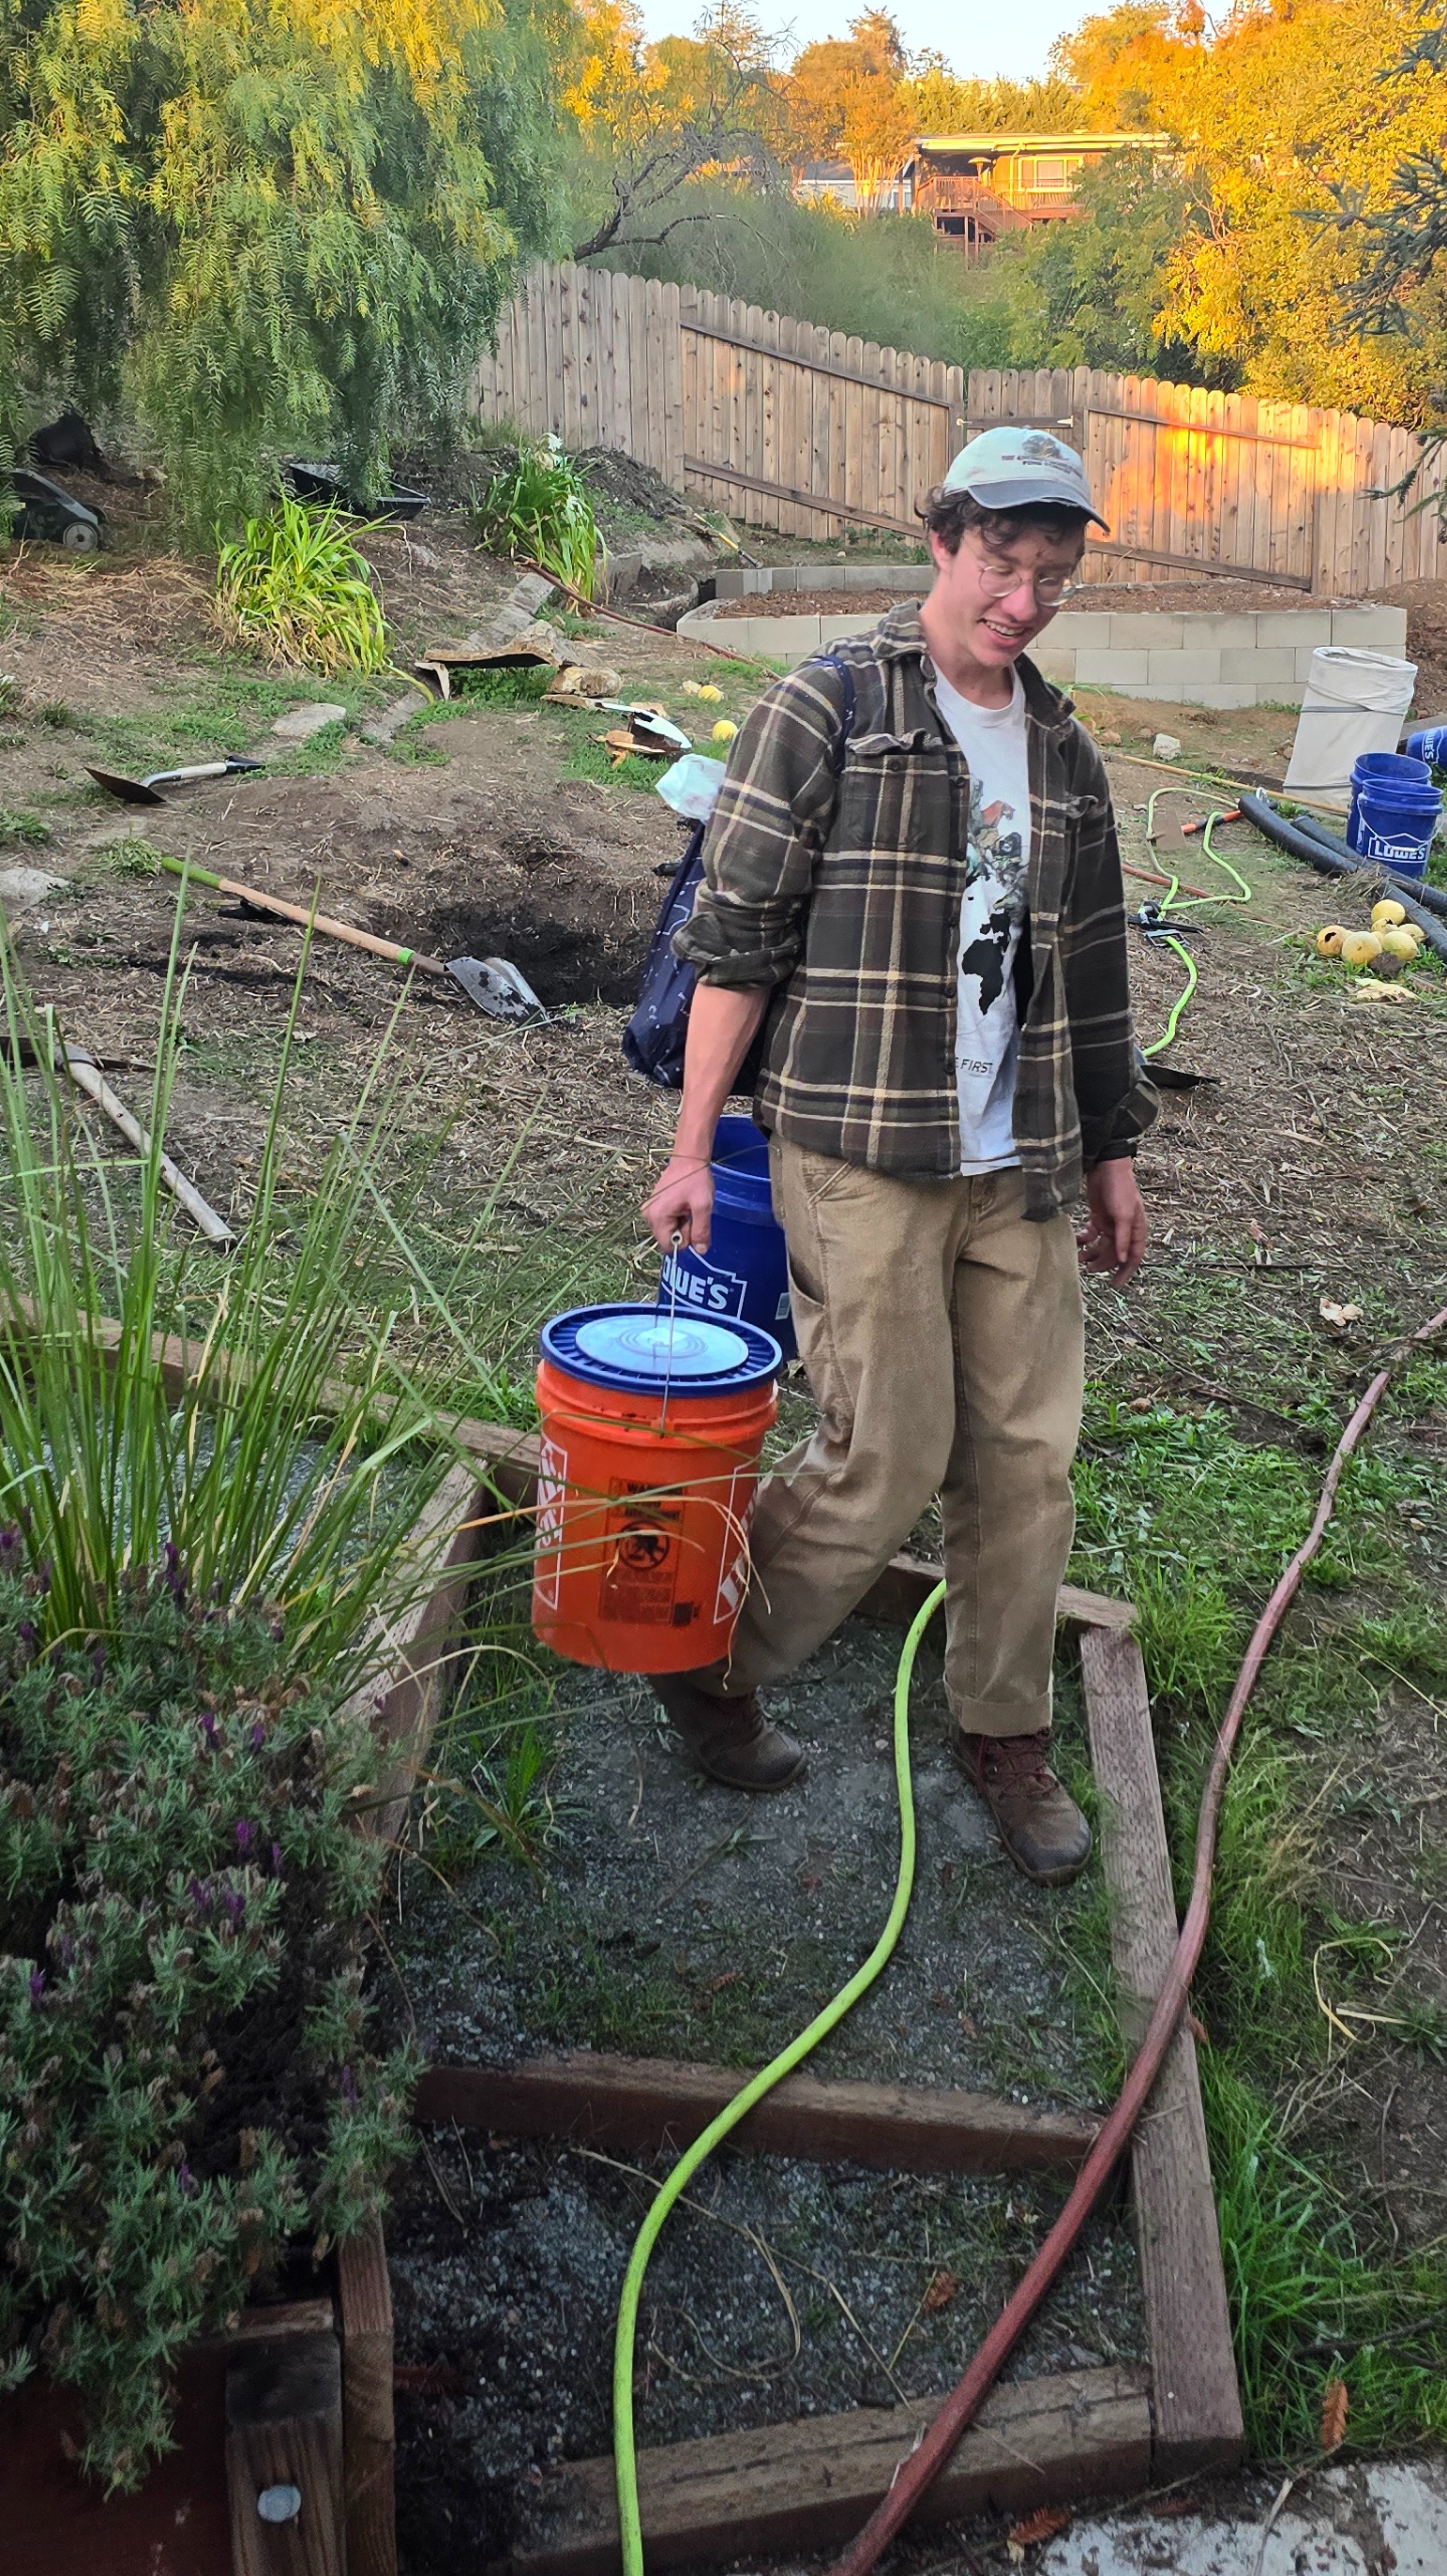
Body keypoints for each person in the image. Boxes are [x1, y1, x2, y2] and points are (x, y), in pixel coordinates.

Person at [639, 426, 1154, 1880]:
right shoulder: (831, 707)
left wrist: (1111, 1153)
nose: (1024, 600)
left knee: (1027, 1461)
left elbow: (1094, 970)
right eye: (1001, 562)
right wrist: (692, 1147)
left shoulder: (1063, 755)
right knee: (887, 1453)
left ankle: (1004, 1728)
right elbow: (734, 941)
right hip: (860, 1140)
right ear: (941, 542)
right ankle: (709, 1660)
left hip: (1019, 1157)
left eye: (1052, 574)